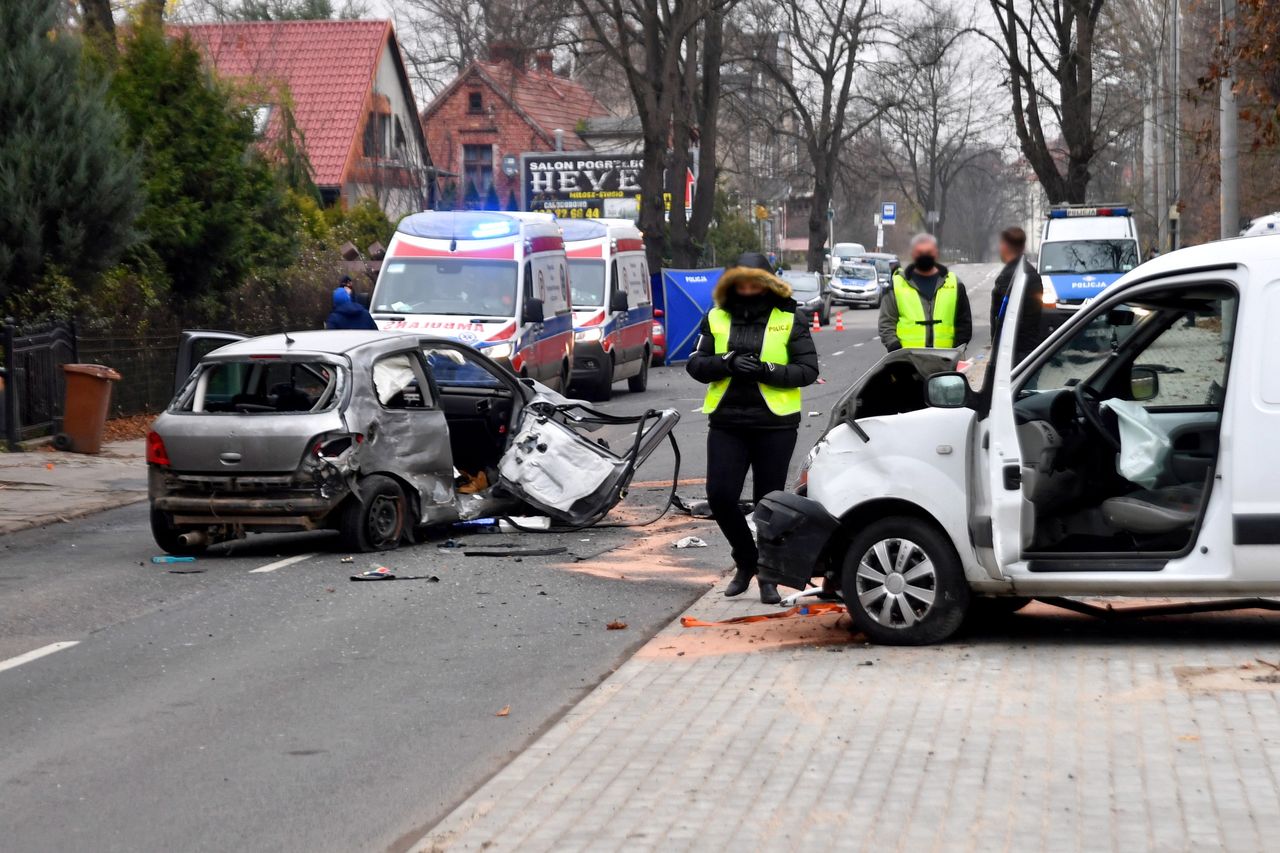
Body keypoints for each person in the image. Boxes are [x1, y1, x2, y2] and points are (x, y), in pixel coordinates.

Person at [687, 252, 820, 604]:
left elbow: (807, 370)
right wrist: (726, 363)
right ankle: (746, 560)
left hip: (775, 423)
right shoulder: (715, 316)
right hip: (728, 420)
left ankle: (768, 576)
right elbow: (696, 365)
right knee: (720, 496)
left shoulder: (791, 317)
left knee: (769, 504)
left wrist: (766, 370)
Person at [878, 233, 972, 351]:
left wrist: (956, 350)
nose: (924, 256)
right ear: (913, 254)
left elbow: (964, 323)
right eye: (920, 253)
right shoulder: (897, 285)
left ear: (936, 253)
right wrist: (896, 349)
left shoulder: (954, 284)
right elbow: (886, 323)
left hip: (946, 361)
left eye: (928, 252)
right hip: (906, 362)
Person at [990, 227, 1044, 362]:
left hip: (1012, 353)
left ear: (1005, 246)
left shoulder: (1008, 278)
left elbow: (1001, 319)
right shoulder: (1031, 273)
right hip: (1028, 348)